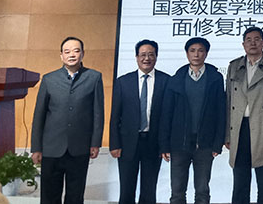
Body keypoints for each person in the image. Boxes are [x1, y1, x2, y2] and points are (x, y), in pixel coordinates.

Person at [31, 36, 105, 204]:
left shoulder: (94, 78)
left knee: (75, 196)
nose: (72, 55)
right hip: (51, 148)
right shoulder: (49, 79)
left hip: (79, 147)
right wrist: (36, 147)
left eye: (76, 51)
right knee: (49, 197)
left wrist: (95, 143)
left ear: (83, 54)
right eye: (67, 51)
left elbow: (98, 113)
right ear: (61, 55)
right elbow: (39, 115)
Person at [159, 37, 226, 204]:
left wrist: (217, 143)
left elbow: (221, 112)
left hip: (205, 143)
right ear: (187, 54)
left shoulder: (215, 79)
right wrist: (164, 145)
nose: (196, 54)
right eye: (192, 50)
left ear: (206, 53)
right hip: (178, 144)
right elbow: (166, 114)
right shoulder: (176, 80)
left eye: (201, 50)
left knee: (202, 191)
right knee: (177, 191)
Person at [226, 26, 263, 204]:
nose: (252, 43)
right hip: (239, 129)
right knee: (240, 183)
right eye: (249, 40)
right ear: (243, 44)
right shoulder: (234, 66)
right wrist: (227, 135)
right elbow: (228, 102)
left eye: (257, 39)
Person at [110, 39, 170, 204]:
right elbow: (115, 116)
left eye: (151, 54)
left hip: (153, 143)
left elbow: (167, 117)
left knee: (149, 190)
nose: (147, 58)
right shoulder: (123, 82)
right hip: (127, 143)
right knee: (126, 190)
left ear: (156, 57)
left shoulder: (166, 81)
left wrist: (165, 146)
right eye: (143, 55)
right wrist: (114, 144)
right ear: (136, 57)